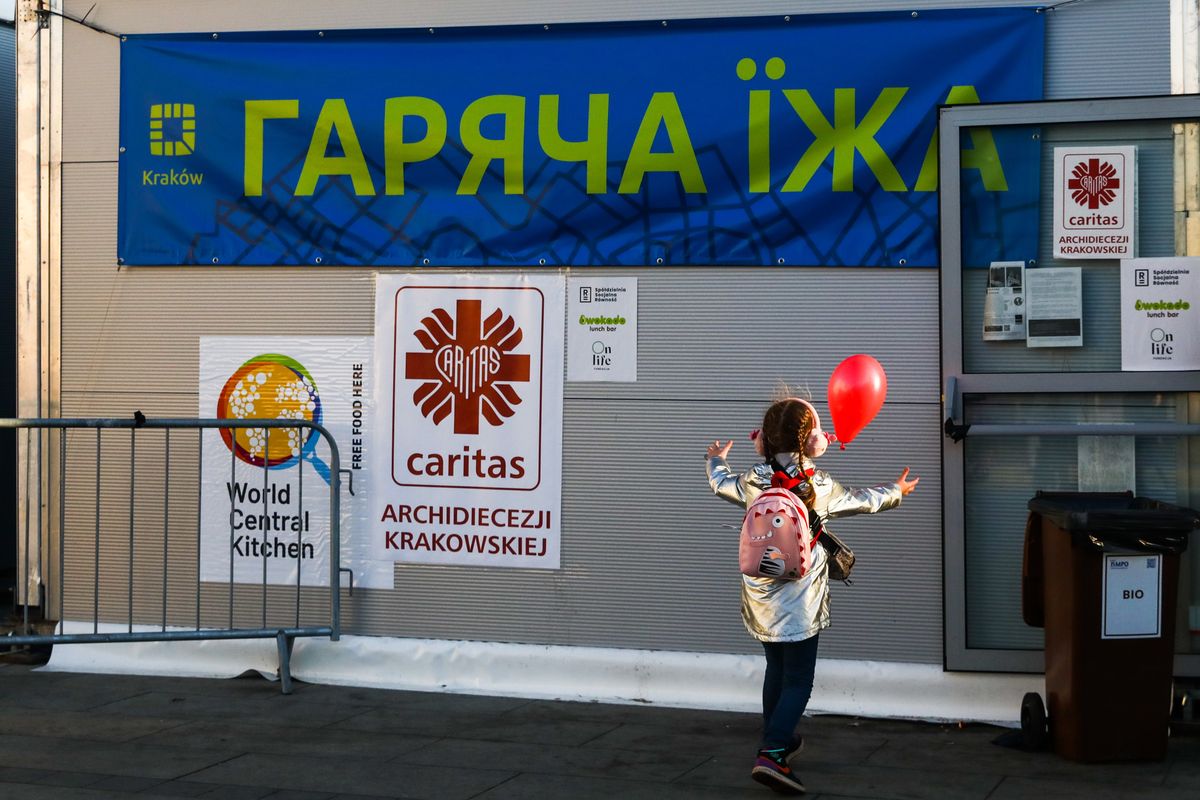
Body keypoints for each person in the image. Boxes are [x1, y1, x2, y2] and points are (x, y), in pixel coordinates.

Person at [705, 396, 918, 795]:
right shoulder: (818, 484)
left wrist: (714, 457)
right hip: (800, 598)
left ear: (764, 440)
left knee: (776, 670)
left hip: (761, 594)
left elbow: (719, 483)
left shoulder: (754, 478)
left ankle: (778, 737)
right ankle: (772, 753)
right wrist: (897, 490)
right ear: (813, 441)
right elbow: (863, 500)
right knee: (799, 678)